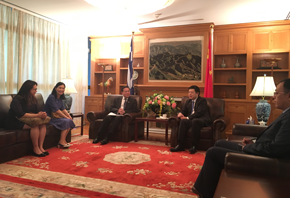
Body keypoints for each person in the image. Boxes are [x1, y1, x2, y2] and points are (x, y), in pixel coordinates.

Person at [192, 78, 290, 198]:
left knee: (213, 153)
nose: (273, 97)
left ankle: (204, 194)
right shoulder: (286, 113)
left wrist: (249, 148)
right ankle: (212, 189)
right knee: (219, 143)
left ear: (289, 96)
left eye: (276, 93)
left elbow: (276, 149)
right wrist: (253, 142)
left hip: (263, 159)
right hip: (259, 150)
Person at [5, 80, 48, 157]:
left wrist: (42, 114)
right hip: (14, 121)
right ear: (28, 89)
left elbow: (37, 111)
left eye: (36, 89)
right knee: (35, 125)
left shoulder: (33, 98)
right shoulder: (17, 99)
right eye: (34, 89)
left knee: (43, 124)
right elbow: (20, 114)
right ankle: (35, 148)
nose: (36, 91)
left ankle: (41, 147)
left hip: (28, 120)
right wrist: (37, 116)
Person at [170, 85, 211, 154]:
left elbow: (200, 113)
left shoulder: (202, 101)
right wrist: (180, 113)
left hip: (202, 119)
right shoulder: (188, 101)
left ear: (197, 93)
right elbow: (184, 110)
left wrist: (188, 117)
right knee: (183, 121)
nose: (189, 94)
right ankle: (181, 145)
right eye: (189, 92)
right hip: (192, 119)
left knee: (195, 121)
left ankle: (193, 146)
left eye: (192, 92)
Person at [44, 82, 75, 148]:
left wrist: (69, 116)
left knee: (69, 120)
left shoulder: (60, 98)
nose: (61, 89)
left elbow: (63, 109)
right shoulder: (51, 97)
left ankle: (62, 141)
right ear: (55, 88)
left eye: (63, 88)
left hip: (56, 117)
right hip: (49, 117)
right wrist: (66, 117)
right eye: (59, 88)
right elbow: (56, 110)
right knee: (66, 121)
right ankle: (61, 142)